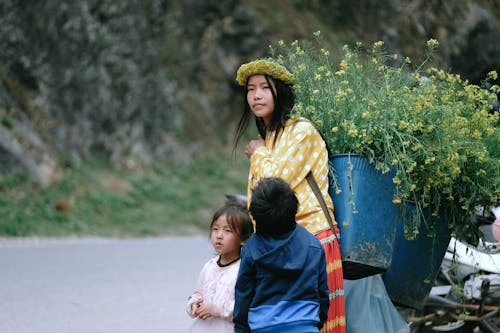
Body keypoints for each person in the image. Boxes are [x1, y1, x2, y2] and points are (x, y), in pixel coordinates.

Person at [234, 58, 346, 333]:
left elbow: (276, 184)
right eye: (250, 89)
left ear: (279, 92)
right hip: (282, 241)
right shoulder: (271, 137)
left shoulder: (301, 131)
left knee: (315, 323)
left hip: (313, 241)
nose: (256, 95)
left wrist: (258, 153)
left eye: (264, 88)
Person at [234, 177, 330, 333]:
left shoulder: (251, 249)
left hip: (263, 327)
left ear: (257, 218)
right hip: (305, 327)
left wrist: (241, 329)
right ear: (293, 209)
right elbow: (322, 295)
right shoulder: (313, 246)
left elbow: (243, 297)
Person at [186, 201, 254, 333]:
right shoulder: (209, 266)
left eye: (227, 230)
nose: (219, 235)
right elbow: (197, 293)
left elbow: (244, 308)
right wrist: (194, 305)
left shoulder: (243, 269)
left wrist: (215, 309)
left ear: (243, 239)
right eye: (215, 229)